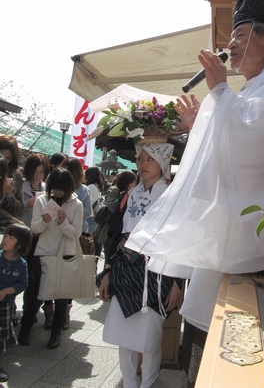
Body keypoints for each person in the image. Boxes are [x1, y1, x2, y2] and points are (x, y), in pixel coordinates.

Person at [125, 0, 264, 386]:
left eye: (240, 35)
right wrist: (202, 122)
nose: (229, 46)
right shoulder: (255, 88)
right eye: (230, 37)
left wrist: (218, 93)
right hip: (229, 243)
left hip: (255, 245)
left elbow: (255, 148)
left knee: (232, 351)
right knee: (201, 345)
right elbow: (232, 145)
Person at [99, 140, 182, 388]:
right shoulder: (131, 194)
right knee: (124, 338)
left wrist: (177, 282)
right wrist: (108, 272)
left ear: (164, 163)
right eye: (140, 158)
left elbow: (178, 240)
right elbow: (116, 237)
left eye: (150, 159)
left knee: (149, 340)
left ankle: (147, 384)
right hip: (125, 270)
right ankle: (128, 383)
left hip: (157, 274)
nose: (143, 164)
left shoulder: (172, 196)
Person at [18, 167, 83, 349]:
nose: (58, 192)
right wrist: (45, 221)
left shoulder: (76, 205)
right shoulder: (41, 200)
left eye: (62, 188)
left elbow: (76, 233)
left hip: (65, 254)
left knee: (62, 296)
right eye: (55, 187)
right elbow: (35, 228)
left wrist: (63, 223)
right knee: (38, 293)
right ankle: (26, 327)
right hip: (44, 253)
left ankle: (56, 332)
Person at [59, 157, 92, 328]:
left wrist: (73, 207)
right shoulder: (55, 188)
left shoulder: (83, 190)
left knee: (69, 272)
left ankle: (65, 312)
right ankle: (53, 310)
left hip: (75, 234)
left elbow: (88, 212)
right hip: (56, 234)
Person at [18, 154, 50, 325]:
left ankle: (27, 312)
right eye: (36, 172)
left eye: (42, 172)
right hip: (20, 235)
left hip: (37, 237)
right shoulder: (20, 185)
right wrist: (27, 203)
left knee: (33, 278)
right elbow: (12, 207)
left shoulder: (45, 188)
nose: (38, 176)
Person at [0, 223, 32, 382]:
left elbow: (22, 283)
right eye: (5, 236)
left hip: (5, 305)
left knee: (1, 333)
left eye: (10, 238)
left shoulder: (22, 264)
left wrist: (6, 291)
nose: (5, 239)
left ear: (20, 245)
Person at [0, 135, 24, 229]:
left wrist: (9, 196)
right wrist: (10, 218)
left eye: (8, 158)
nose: (4, 161)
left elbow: (20, 208)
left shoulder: (16, 175)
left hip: (5, 230)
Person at [84, 166, 104, 236]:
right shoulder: (97, 186)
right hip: (94, 216)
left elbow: (88, 202)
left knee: (85, 241)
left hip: (89, 216)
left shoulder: (90, 187)